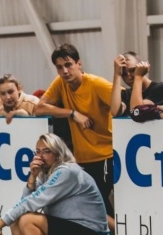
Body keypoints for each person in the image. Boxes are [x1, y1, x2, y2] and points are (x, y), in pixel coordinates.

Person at [35, 43, 114, 216]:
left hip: (106, 156)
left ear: (79, 64)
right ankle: (112, 233)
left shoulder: (97, 84)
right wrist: (72, 113)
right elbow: (39, 108)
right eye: (59, 67)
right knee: (88, 205)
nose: (65, 71)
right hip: (83, 158)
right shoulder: (60, 83)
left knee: (96, 205)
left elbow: (122, 101)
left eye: (68, 65)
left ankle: (116, 233)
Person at [110, 52, 163, 117]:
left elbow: (137, 111)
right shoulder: (126, 94)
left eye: (133, 70)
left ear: (141, 67)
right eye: (124, 74)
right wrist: (117, 74)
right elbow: (114, 112)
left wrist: (138, 76)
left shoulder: (161, 89)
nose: (129, 77)